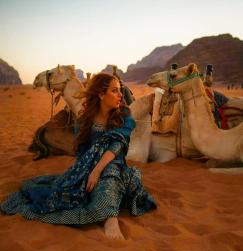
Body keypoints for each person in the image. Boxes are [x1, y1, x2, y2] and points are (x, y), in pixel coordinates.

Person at [1, 73, 156, 239]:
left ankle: (110, 219)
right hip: (87, 166)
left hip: (113, 165)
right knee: (65, 192)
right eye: (114, 91)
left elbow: (116, 146)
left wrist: (96, 172)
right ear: (101, 94)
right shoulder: (85, 120)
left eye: (120, 90)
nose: (120, 95)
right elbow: (83, 151)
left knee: (109, 180)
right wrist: (83, 172)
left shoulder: (124, 117)